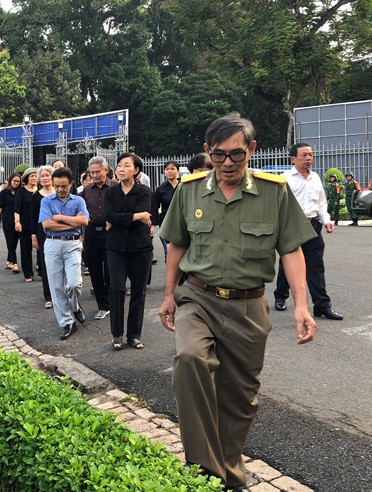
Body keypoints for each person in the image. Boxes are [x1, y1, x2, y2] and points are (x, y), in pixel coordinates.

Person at [158, 113, 318, 491]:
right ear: (206, 152)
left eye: (236, 155)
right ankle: (204, 471)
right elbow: (177, 244)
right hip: (198, 296)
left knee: (240, 399)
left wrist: (301, 304)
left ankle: (229, 472)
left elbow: (292, 249)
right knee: (190, 359)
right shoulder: (190, 189)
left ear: (252, 150)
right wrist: (168, 295)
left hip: (249, 306)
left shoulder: (273, 191)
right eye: (218, 155)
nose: (227, 164)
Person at [273, 143, 343, 320]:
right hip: (292, 226)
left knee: (316, 266)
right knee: (288, 264)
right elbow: (278, 205)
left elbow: (321, 203)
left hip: (312, 226)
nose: (308, 158)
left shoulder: (315, 177)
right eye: (304, 155)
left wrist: (326, 220)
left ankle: (322, 305)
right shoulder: (285, 178)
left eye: (311, 155)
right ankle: (280, 296)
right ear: (293, 158)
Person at [104, 153, 157, 349]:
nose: (121, 169)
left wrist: (120, 218)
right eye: (119, 165)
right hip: (116, 247)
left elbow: (144, 213)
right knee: (116, 288)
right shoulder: (110, 193)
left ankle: (134, 335)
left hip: (140, 247)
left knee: (138, 292)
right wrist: (136, 216)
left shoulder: (144, 192)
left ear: (136, 171)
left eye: (126, 165)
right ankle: (117, 334)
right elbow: (108, 215)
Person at [39, 167, 89, 340]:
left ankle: (74, 306)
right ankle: (67, 322)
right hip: (52, 244)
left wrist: (60, 218)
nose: (60, 189)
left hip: (73, 244)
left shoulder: (78, 201)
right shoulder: (46, 201)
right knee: (56, 286)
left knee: (74, 283)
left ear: (70, 184)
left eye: (64, 186)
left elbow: (84, 221)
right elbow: (46, 224)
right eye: (57, 186)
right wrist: (73, 224)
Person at [79, 156, 115, 320]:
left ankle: (113, 302)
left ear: (106, 170)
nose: (94, 175)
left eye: (98, 171)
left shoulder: (116, 187)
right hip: (92, 233)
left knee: (110, 270)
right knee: (94, 270)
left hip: (111, 233)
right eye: (92, 172)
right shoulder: (86, 191)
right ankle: (103, 305)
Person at [31, 166, 55, 309]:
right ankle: (49, 296)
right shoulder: (36, 196)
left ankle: (61, 293)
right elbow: (33, 218)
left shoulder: (59, 192)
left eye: (48, 175)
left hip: (60, 232)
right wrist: (33, 236)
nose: (45, 178)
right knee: (45, 265)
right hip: (42, 234)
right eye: (43, 176)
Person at [0, 173, 21, 273]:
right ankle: (15, 264)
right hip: (7, 221)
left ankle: (9, 261)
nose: (16, 183)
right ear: (10, 181)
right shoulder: (4, 193)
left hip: (18, 221)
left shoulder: (20, 192)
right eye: (14, 181)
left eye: (18, 181)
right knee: (10, 242)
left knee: (15, 242)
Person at [153, 160, 180, 261]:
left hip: (183, 224)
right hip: (166, 224)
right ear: (164, 172)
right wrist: (153, 225)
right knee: (169, 254)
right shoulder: (161, 189)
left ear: (178, 171)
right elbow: (154, 207)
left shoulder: (184, 186)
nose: (169, 171)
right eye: (167, 169)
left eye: (172, 169)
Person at [14, 167, 38, 281]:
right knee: (26, 250)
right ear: (27, 178)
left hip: (39, 225)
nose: (34, 178)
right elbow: (16, 208)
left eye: (35, 176)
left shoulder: (41, 191)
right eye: (32, 176)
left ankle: (43, 271)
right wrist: (17, 222)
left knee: (42, 250)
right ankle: (28, 273)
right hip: (25, 224)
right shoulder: (21, 191)